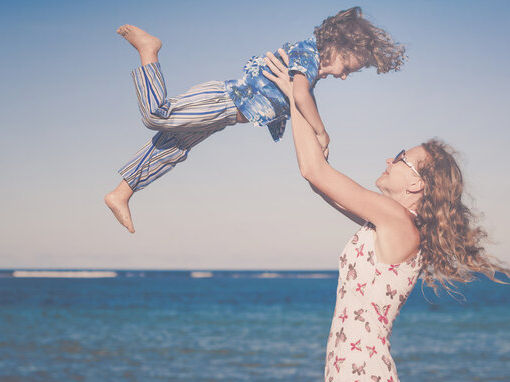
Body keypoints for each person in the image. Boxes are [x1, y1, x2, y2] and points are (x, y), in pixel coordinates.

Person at [262, 50, 510, 382]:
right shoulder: (390, 223)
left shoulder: (397, 220)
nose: (390, 159)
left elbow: (314, 170)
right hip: (352, 380)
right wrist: (296, 99)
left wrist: (300, 87)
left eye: (401, 158)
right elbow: (317, 180)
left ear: (416, 184)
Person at [105, 6, 406, 233]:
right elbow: (299, 96)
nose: (342, 76)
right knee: (158, 116)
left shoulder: (310, 67)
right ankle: (148, 50)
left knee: (173, 147)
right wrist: (322, 132)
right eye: (347, 68)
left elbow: (297, 99)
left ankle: (121, 193)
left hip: (225, 115)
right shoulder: (308, 53)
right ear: (340, 46)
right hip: (222, 99)